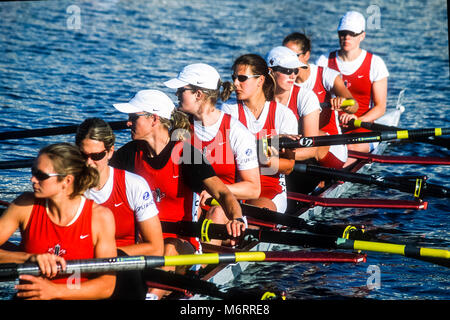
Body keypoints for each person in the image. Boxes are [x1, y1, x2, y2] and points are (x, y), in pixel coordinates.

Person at [109, 89, 245, 299]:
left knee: (169, 249)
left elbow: (224, 194)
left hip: (183, 244)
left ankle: (152, 296)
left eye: (132, 118)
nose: (128, 123)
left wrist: (236, 219)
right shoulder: (128, 154)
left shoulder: (186, 154)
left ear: (154, 119)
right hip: (143, 244)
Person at [0, 143, 116, 300]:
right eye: (33, 172)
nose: (32, 179)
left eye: (41, 175)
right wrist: (28, 258)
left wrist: (55, 291)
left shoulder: (100, 217)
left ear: (67, 181)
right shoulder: (25, 205)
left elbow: (106, 286)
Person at [164, 63, 261, 246]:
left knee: (216, 214)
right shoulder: (178, 128)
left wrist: (213, 191)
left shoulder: (235, 131)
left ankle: (203, 269)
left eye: (181, 90)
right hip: (191, 201)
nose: (177, 94)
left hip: (225, 207)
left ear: (198, 94)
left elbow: (253, 188)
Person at [75, 117, 164, 299]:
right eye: (83, 155)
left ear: (110, 152)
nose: (89, 163)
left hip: (124, 268)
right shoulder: (68, 186)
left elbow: (156, 248)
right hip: (80, 267)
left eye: (97, 156)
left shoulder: (133, 185)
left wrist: (105, 254)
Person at [221, 53, 298, 213]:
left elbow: (289, 167)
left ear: (260, 80)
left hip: (268, 189)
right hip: (235, 187)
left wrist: (267, 160)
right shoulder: (229, 110)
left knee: (249, 221)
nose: (235, 83)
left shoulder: (283, 115)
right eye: (234, 77)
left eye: (242, 78)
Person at [316, 11, 389, 161]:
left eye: (352, 34)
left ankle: (334, 181)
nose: (346, 37)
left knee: (350, 148)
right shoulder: (323, 61)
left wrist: (358, 119)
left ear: (362, 36)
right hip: (331, 127)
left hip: (361, 127)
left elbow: (380, 107)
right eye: (343, 33)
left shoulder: (375, 64)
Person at [268, 46, 349, 169]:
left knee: (311, 136)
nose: (293, 76)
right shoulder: (259, 97)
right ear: (270, 71)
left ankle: (322, 179)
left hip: (324, 153)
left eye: (295, 70)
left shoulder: (305, 97)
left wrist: (266, 153)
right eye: (288, 70)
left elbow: (310, 150)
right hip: (285, 150)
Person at [282, 32, 359, 134]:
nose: (288, 60)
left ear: (307, 55)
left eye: (293, 55)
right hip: (297, 140)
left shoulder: (326, 75)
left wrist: (344, 103)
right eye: (284, 56)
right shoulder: (280, 82)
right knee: (269, 139)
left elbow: (354, 106)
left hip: (328, 141)